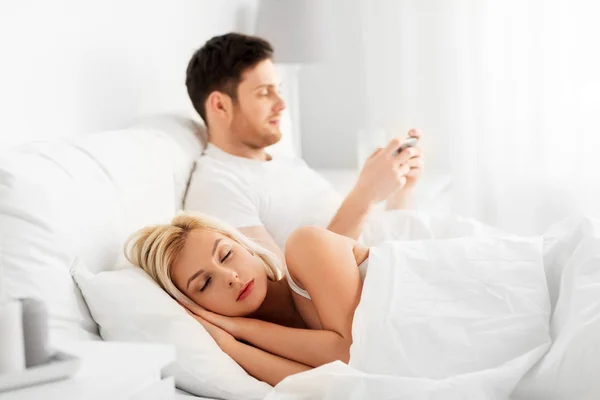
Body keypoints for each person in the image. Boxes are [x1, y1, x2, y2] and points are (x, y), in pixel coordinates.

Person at [183, 33, 425, 261]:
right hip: (398, 265)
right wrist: (365, 194)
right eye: (264, 93)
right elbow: (293, 292)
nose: (281, 104)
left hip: (412, 245)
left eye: (278, 90)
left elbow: (369, 233)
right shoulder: (219, 188)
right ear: (220, 106)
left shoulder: (283, 161)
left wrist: (402, 190)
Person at [125, 212, 370, 386]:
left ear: (246, 247)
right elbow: (336, 388)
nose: (230, 276)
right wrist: (229, 344)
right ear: (195, 306)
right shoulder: (254, 351)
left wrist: (242, 328)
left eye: (226, 254)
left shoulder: (307, 246)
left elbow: (352, 353)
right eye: (205, 283)